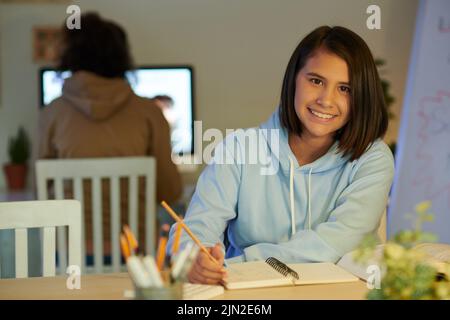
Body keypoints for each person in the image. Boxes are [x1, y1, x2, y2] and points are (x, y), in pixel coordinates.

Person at [167, 26, 394, 284]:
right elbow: (196, 226)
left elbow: (335, 244)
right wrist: (194, 258)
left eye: (345, 89)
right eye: (316, 81)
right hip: (252, 294)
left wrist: (236, 264)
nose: (326, 100)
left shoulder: (373, 159)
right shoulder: (239, 148)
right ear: (293, 79)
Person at [38, 12, 182, 255]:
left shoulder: (51, 113)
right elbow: (171, 192)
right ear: (121, 57)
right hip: (135, 254)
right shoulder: (149, 114)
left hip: (69, 253)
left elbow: (39, 189)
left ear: (70, 58)